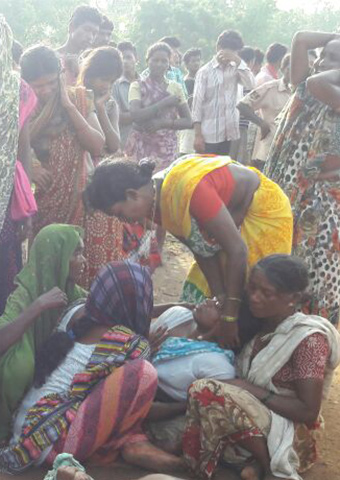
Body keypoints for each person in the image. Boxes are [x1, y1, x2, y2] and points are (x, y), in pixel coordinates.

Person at [83, 154, 293, 348]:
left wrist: (229, 317)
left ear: (132, 195)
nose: (123, 221)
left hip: (262, 211)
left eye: (120, 213)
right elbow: (200, 248)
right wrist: (220, 297)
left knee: (255, 294)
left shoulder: (187, 192)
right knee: (206, 298)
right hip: (231, 220)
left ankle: (260, 352)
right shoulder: (155, 201)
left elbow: (238, 250)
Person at [1, 261, 184, 474]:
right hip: (51, 444)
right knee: (145, 373)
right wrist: (183, 406)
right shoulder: (133, 344)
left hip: (24, 430)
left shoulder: (75, 311)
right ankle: (130, 443)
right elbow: (133, 407)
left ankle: (130, 445)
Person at [182, 255, 340, 480]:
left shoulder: (308, 340)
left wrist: (246, 388)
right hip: (253, 419)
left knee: (205, 391)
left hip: (289, 431)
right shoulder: (256, 323)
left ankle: (270, 469)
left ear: (293, 298)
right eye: (252, 288)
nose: (255, 298)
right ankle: (246, 465)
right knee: (182, 414)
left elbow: (308, 411)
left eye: (266, 293)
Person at [264, 31, 340, 325]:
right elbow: (300, 39)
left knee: (316, 266)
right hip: (285, 193)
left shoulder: (323, 87)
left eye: (333, 58)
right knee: (280, 255)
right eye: (322, 55)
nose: (321, 62)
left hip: (320, 202)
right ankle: (276, 323)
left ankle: (309, 330)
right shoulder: (303, 86)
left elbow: (320, 80)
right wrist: (335, 37)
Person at [20, 45, 105, 286]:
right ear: (25, 82)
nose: (46, 91)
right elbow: (11, 150)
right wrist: (32, 167)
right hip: (43, 202)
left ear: (60, 75)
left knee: (77, 265)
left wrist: (69, 107)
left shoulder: (79, 98)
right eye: (38, 86)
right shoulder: (21, 105)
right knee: (46, 266)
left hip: (80, 200)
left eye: (51, 83)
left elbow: (97, 146)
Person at [0, 224, 86, 443]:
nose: (83, 261)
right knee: (19, 362)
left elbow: (105, 304)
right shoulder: (25, 294)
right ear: (57, 257)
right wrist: (37, 306)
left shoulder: (71, 292)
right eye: (76, 253)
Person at [77, 46, 125, 285]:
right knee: (80, 247)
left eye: (112, 80)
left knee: (103, 245)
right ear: (90, 73)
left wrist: (101, 109)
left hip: (105, 184)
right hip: (80, 180)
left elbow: (114, 145)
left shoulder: (110, 104)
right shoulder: (76, 98)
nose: (107, 84)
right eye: (103, 78)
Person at [0, 16, 37, 314]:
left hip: (6, 198)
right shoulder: (18, 88)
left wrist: (25, 203)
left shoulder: (18, 89)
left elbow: (22, 151)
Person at [126, 42, 192, 171]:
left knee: (163, 184)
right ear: (147, 61)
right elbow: (136, 115)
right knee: (139, 184)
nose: (159, 64)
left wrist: (162, 123)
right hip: (140, 147)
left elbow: (188, 121)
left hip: (166, 148)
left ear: (169, 64)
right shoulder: (137, 86)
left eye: (164, 61)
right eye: (155, 60)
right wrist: (164, 103)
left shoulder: (175, 87)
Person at [151, 302, 235, 402]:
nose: (209, 301)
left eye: (217, 306)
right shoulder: (177, 314)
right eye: (213, 299)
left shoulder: (217, 364)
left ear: (228, 324)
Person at [192, 30, 254, 155]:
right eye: (228, 50)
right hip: (209, 134)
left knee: (224, 171)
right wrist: (198, 135)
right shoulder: (205, 72)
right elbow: (196, 105)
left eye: (234, 51)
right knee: (207, 171)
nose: (230, 55)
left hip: (229, 133)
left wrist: (238, 61)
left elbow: (251, 85)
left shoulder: (236, 69)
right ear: (218, 48)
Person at [238, 53, 291, 171]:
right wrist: (261, 123)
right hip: (269, 149)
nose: (293, 72)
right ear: (282, 69)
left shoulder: (303, 93)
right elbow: (242, 105)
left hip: (290, 152)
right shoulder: (270, 88)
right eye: (289, 68)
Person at [56, 5, 102, 85]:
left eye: (94, 33)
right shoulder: (53, 58)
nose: (90, 37)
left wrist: (79, 72)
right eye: (87, 29)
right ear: (72, 27)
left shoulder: (87, 64)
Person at [229, 46, 256, 164]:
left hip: (233, 124)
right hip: (241, 125)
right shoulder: (246, 78)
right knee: (237, 160)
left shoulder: (232, 74)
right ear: (251, 62)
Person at [114, 41, 140, 149]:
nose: (125, 61)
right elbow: (118, 117)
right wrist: (148, 112)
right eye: (122, 58)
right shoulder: (114, 84)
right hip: (123, 144)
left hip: (146, 144)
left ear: (136, 59)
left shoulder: (146, 83)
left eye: (129, 57)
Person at [179, 48, 202, 155]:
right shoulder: (187, 82)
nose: (196, 63)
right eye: (193, 61)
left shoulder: (201, 80)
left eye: (198, 60)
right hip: (189, 125)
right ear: (186, 65)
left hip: (200, 123)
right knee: (188, 153)